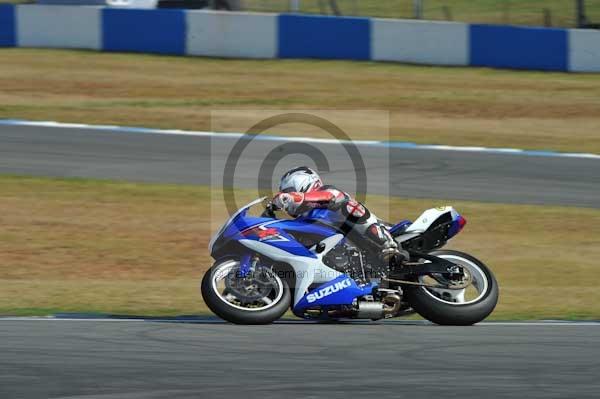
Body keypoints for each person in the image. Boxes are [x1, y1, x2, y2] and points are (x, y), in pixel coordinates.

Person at [271, 166, 404, 266]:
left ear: (302, 184)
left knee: (349, 207)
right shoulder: (304, 221)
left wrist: (293, 197)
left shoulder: (328, 193)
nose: (286, 199)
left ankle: (388, 244)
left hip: (388, 233)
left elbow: (331, 197)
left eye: (288, 192)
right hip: (354, 259)